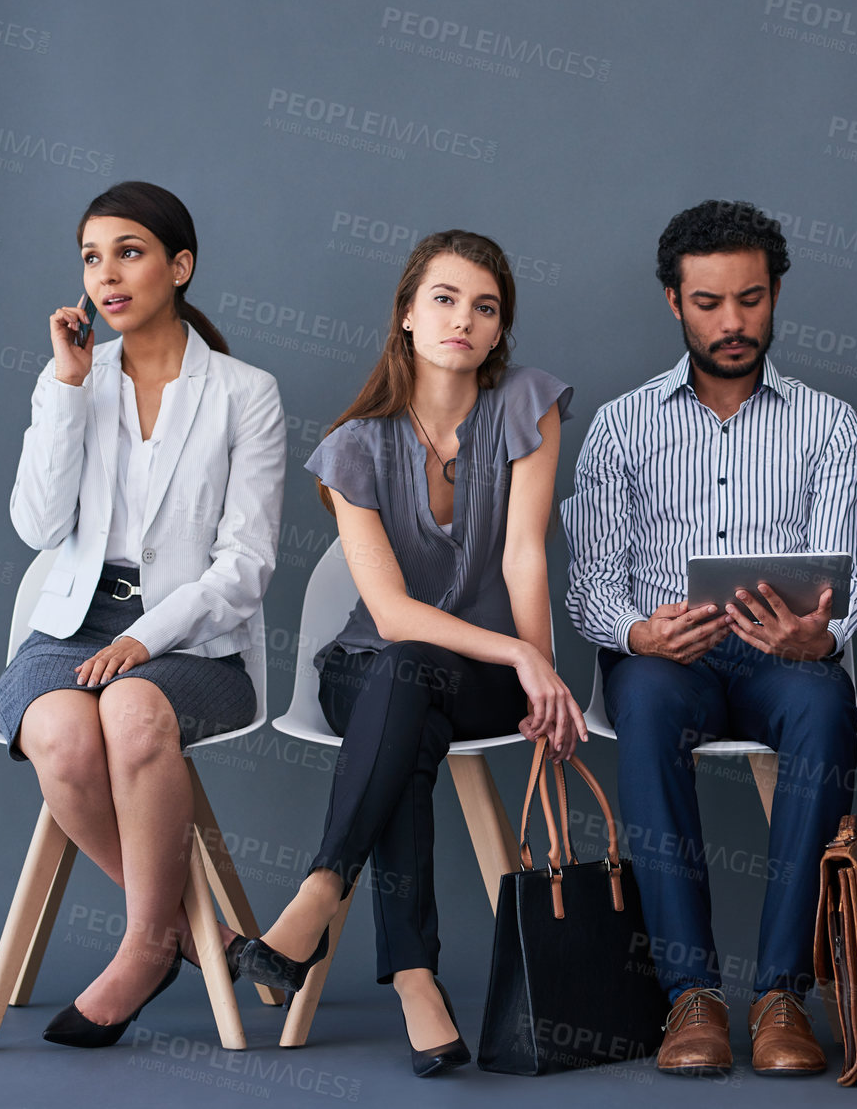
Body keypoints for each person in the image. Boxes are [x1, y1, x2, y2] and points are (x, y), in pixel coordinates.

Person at [235, 231, 581, 1078]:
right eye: (444, 298)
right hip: (369, 668)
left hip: (485, 682)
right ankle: (415, 976)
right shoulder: (354, 445)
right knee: (404, 692)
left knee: (411, 702)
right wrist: (524, 653)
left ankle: (320, 898)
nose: (464, 318)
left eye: (485, 307)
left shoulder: (529, 406)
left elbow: (524, 556)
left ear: (501, 331)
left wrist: (533, 663)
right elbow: (389, 615)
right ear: (405, 314)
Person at [561, 200, 857, 1078]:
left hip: (784, 662)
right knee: (649, 703)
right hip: (668, 658)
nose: (732, 323)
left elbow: (846, 586)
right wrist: (634, 629)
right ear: (673, 303)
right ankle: (689, 995)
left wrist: (822, 635)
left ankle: (782, 996)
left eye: (751, 299)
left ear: (775, 295)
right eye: (708, 303)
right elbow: (590, 587)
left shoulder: (830, 425)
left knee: (825, 706)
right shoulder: (621, 427)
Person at [0, 181, 285, 1047]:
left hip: (194, 639)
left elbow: (248, 565)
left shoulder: (246, 392)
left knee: (128, 706)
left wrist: (142, 639)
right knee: (60, 733)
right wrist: (65, 386)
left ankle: (146, 945)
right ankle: (189, 937)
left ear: (180, 265)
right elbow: (38, 527)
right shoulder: (79, 379)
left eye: (129, 251)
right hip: (70, 627)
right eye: (92, 257)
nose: (107, 274)